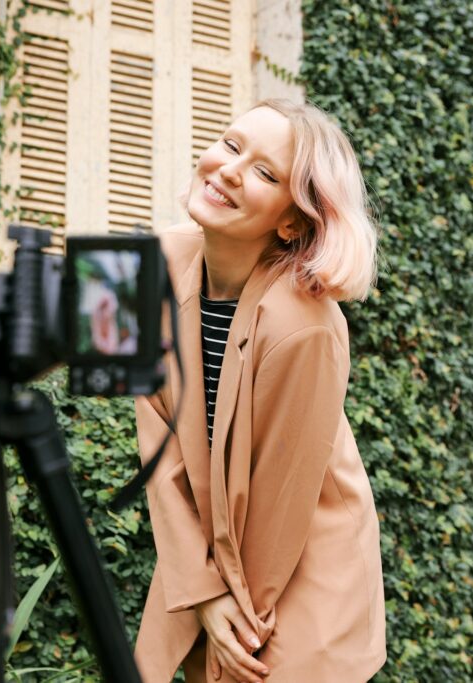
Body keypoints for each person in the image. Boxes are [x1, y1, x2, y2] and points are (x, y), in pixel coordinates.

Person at [134, 98, 386, 683]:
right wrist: (200, 592)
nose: (227, 169)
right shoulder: (159, 261)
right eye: (230, 144)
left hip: (298, 563)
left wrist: (237, 615)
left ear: (292, 221)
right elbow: (161, 444)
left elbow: (279, 498)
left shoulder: (306, 326)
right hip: (218, 559)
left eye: (265, 173)